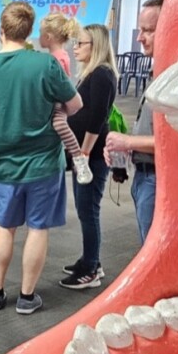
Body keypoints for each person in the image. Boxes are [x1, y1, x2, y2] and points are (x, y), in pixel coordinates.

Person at [0, 1, 82, 315]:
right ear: (30, 31)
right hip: (44, 162)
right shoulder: (44, 66)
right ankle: (27, 297)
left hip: (4, 162)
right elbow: (75, 105)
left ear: (1, 30)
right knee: (37, 228)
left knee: (4, 227)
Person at [59, 24, 118, 289]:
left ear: (95, 46)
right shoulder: (91, 74)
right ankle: (90, 259)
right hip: (84, 153)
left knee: (88, 210)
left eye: (81, 43)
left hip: (90, 154)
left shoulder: (102, 74)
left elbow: (98, 118)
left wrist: (82, 152)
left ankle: (91, 269)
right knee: (85, 210)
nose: (76, 47)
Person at [105, 0, 163, 244]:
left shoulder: (177, 79)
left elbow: (177, 142)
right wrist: (127, 147)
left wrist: (128, 142)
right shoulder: (158, 71)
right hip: (144, 175)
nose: (140, 37)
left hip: (159, 180)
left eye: (149, 30)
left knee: (156, 257)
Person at [39, 13, 93, 185]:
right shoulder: (55, 57)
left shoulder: (57, 59)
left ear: (47, 37)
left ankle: (78, 157)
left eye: (40, 33)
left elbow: (58, 84)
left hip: (59, 102)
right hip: (55, 101)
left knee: (59, 124)